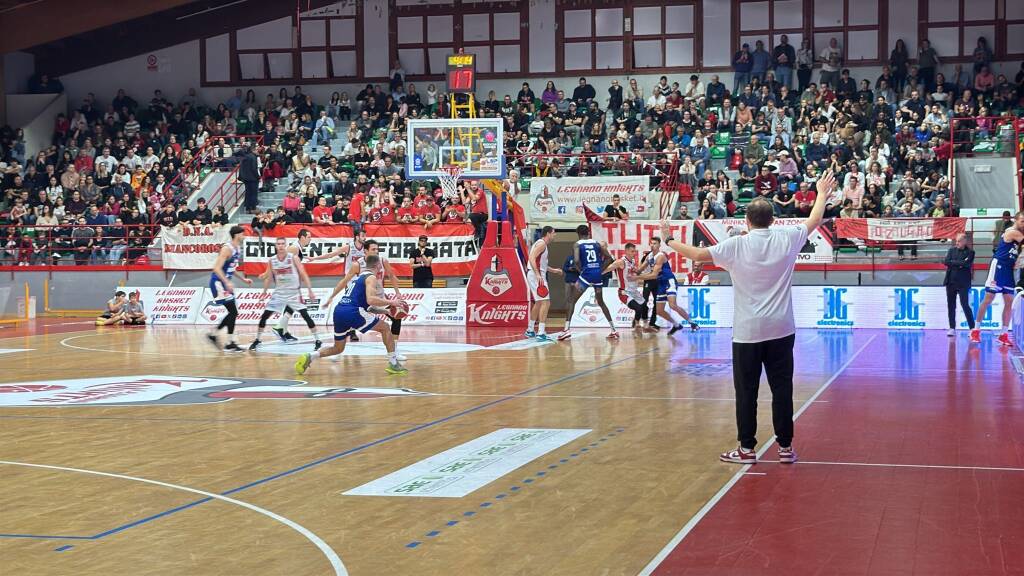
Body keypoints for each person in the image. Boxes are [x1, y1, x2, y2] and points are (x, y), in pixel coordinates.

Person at [658, 169, 838, 465]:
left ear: (746, 222)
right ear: (774, 220)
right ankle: (785, 448)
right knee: (782, 389)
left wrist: (668, 240)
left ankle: (747, 449)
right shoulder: (786, 238)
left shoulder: (736, 245)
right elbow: (814, 220)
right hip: (781, 330)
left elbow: (697, 256)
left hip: (747, 333)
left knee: (747, 392)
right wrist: (820, 193)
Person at [296, 255, 407, 376]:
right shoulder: (371, 277)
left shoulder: (358, 278)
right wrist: (392, 302)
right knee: (385, 327)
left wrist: (386, 311)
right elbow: (371, 300)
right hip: (353, 311)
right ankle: (393, 363)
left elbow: (368, 307)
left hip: (339, 310)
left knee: (338, 348)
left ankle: (310, 356)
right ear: (378, 266)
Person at [249, 236, 321, 351]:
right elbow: (268, 277)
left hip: (293, 293)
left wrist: (310, 290)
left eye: (283, 244)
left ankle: (317, 340)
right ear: (276, 246)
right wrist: (264, 292)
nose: (281, 246)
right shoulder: (272, 260)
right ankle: (257, 339)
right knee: (264, 317)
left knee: (305, 315)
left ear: (285, 245)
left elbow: (303, 273)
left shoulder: (293, 258)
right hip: (279, 293)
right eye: (279, 244)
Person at [971, 212, 1024, 345]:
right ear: (1015, 220)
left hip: (1008, 269)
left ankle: (1003, 334)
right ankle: (975, 330)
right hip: (999, 266)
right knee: (989, 298)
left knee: (1009, 301)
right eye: (1022, 221)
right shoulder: (1012, 232)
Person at [558, 225, 617, 341]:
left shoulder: (577, 244)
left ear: (578, 233)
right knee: (601, 302)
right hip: (597, 275)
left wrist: (581, 272)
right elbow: (609, 258)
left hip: (586, 274)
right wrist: (600, 270)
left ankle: (566, 330)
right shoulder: (596, 243)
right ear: (588, 232)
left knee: (571, 300)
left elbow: (576, 261)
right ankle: (614, 330)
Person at [635, 236, 699, 335]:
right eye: (651, 243)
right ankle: (676, 325)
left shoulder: (660, 256)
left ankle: (693, 323)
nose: (652, 245)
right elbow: (639, 270)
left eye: (655, 243)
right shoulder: (649, 256)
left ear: (659, 245)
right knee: (659, 311)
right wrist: (631, 270)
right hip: (661, 283)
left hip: (669, 281)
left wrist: (636, 278)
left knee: (672, 305)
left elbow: (653, 275)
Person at [207, 225, 253, 352]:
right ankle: (228, 341)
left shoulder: (237, 248)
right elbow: (216, 268)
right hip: (218, 283)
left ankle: (218, 336)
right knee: (233, 312)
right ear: (237, 235)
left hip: (224, 283)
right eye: (242, 234)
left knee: (233, 312)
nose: (244, 236)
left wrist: (243, 279)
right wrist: (227, 282)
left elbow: (232, 268)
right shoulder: (227, 249)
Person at [605, 243, 652, 334]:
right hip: (624, 292)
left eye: (635, 251)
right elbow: (608, 269)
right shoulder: (621, 262)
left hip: (634, 291)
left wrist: (637, 273)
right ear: (626, 251)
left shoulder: (633, 261)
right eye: (632, 251)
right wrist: (596, 274)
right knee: (638, 308)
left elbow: (634, 273)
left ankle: (645, 325)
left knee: (645, 307)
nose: (634, 253)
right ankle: (637, 325)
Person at [525, 226, 563, 341]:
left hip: (535, 274)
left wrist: (554, 270)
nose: (555, 235)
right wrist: (537, 274)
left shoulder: (541, 244)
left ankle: (530, 330)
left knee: (539, 303)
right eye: (554, 233)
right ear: (548, 234)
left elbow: (542, 265)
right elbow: (531, 258)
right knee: (546, 302)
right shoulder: (542, 244)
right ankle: (541, 332)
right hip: (536, 275)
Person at [943, 233, 975, 337]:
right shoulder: (951, 250)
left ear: (965, 241)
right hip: (951, 282)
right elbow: (946, 261)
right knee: (951, 306)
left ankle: (972, 328)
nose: (957, 243)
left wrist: (953, 263)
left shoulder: (970, 252)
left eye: (959, 241)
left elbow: (966, 264)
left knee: (965, 305)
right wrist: (960, 263)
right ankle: (952, 327)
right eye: (956, 241)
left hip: (963, 283)